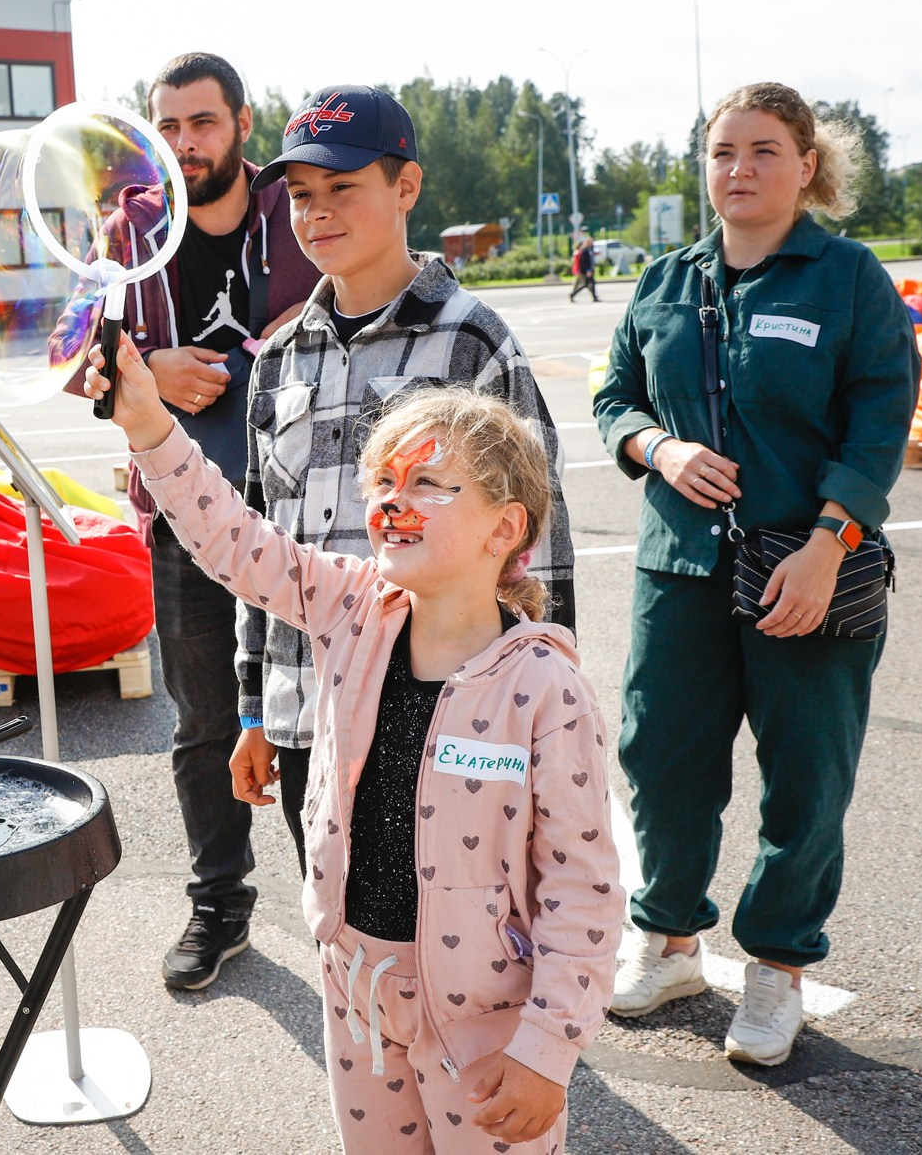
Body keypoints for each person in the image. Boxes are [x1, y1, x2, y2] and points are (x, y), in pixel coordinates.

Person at [88, 347, 620, 1153]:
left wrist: (548, 1050)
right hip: (357, 991)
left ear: (506, 528)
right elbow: (233, 539)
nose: (393, 502)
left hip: (487, 1020)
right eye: (383, 484)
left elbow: (583, 887)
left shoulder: (546, 688)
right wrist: (149, 427)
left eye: (427, 483)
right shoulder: (353, 610)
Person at [593, 81, 918, 1067]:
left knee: (806, 776)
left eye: (763, 150)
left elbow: (879, 419)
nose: (738, 169)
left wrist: (828, 545)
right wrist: (657, 447)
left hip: (805, 566)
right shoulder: (663, 280)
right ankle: (669, 941)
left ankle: (777, 965)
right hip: (679, 567)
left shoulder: (846, 278)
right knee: (660, 759)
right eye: (722, 151)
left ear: (806, 166)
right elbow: (615, 396)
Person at [229, 85, 576, 870]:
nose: (317, 212)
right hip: (309, 713)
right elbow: (262, 547)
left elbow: (538, 544)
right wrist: (254, 708)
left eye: (342, 187)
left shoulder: (471, 342)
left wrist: (545, 718)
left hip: (441, 711)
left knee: (454, 926)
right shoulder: (281, 358)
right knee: (334, 920)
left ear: (406, 187)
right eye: (301, 195)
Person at [76, 52, 320, 991]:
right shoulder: (129, 226)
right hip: (182, 511)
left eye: (203, 123)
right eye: (168, 127)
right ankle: (220, 901)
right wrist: (151, 365)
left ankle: (335, 902)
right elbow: (78, 357)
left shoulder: (296, 206)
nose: (185, 144)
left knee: (310, 710)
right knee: (204, 720)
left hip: (300, 509)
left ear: (243, 123)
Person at [568, 234, 599, 302]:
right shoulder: (584, 250)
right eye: (591, 242)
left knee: (591, 283)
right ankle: (573, 294)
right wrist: (588, 270)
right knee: (586, 284)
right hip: (586, 271)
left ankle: (594, 297)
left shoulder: (590, 249)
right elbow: (584, 261)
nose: (592, 243)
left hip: (590, 269)